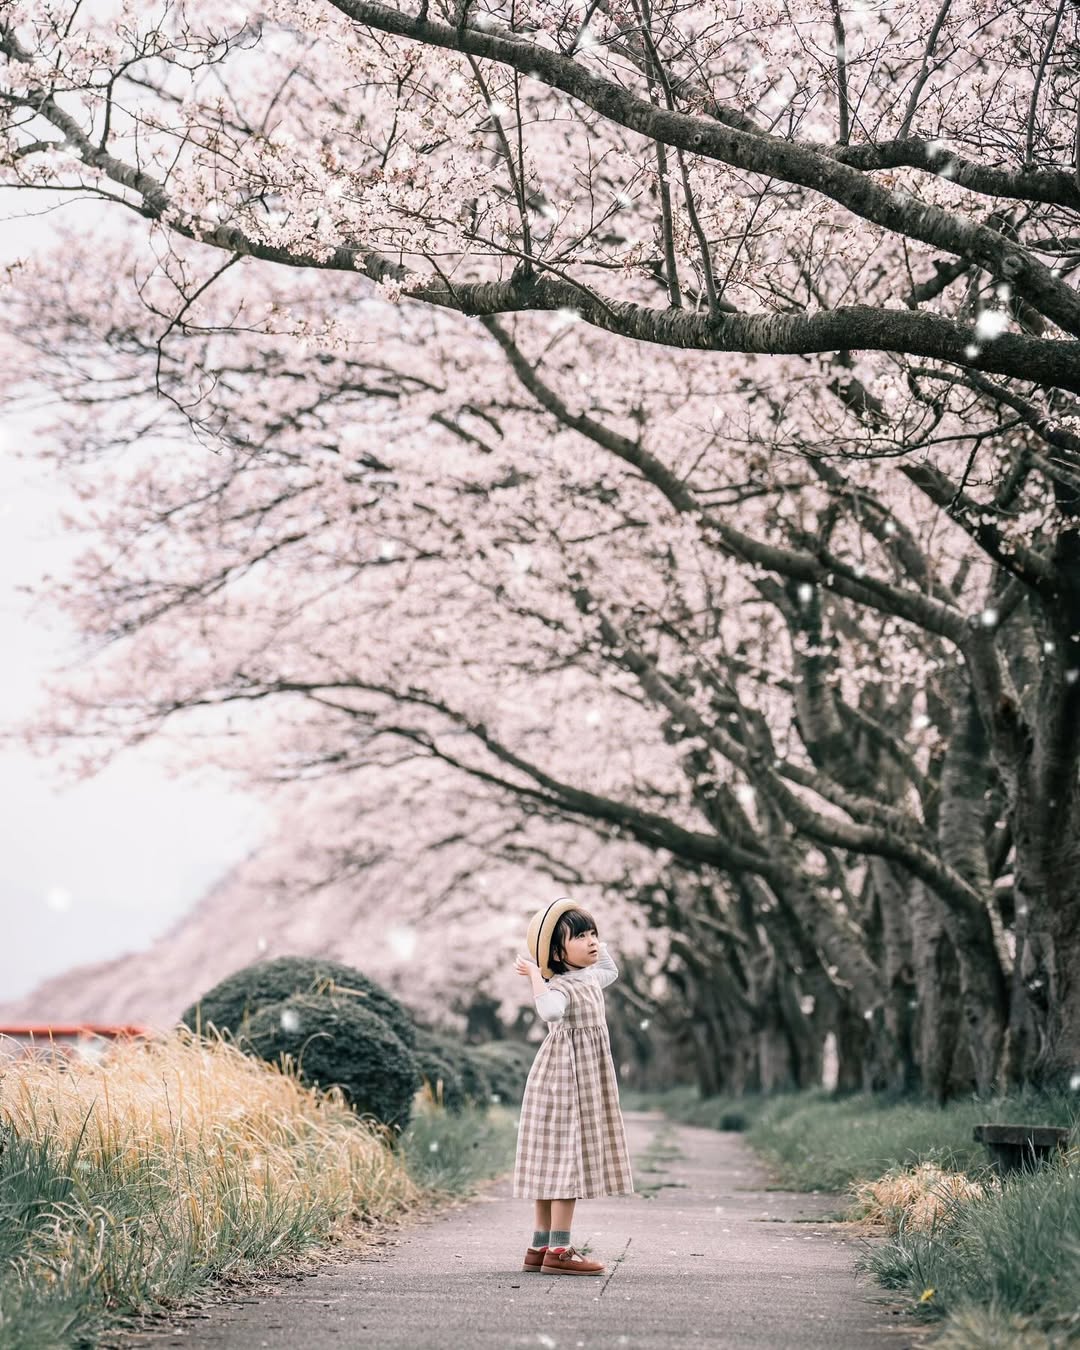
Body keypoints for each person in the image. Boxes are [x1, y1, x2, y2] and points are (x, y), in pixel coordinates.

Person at [512, 897, 634, 1276]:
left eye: (593, 933)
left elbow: (610, 969)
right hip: (565, 1083)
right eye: (580, 936)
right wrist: (538, 975)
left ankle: (540, 1246)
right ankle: (560, 1250)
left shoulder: (590, 977)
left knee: (555, 1161)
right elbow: (549, 1011)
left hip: (581, 1079)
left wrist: (596, 943)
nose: (592, 941)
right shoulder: (562, 987)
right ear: (556, 953)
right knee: (566, 1162)